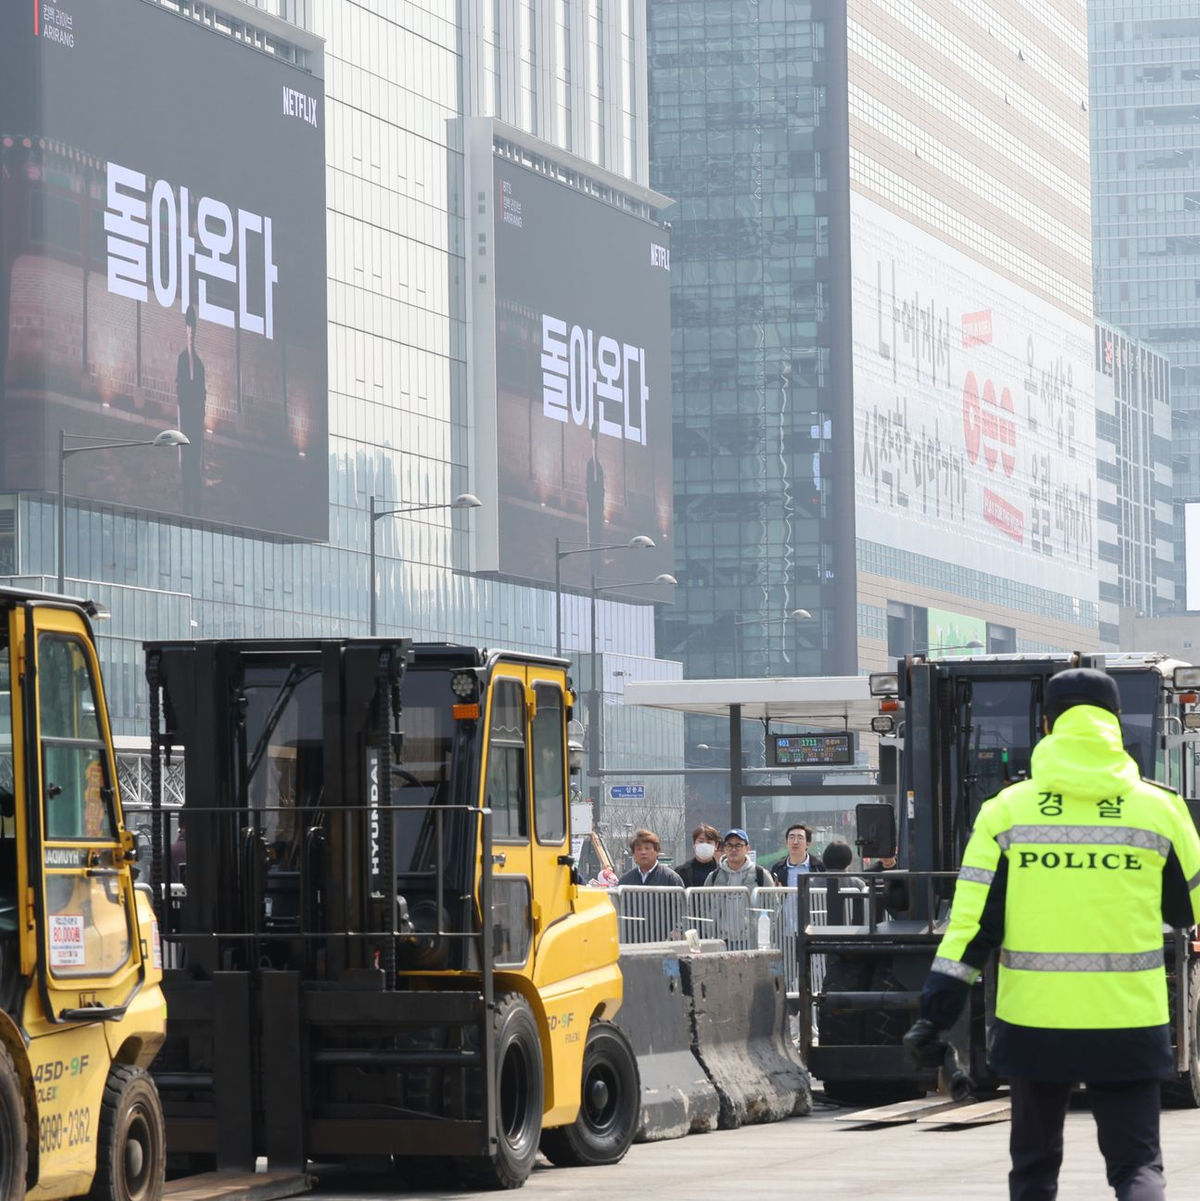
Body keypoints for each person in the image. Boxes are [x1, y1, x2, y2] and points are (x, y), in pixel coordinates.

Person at [903, 668, 1200, 1201]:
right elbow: (1189, 913)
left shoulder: (1004, 813)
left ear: (1047, 726)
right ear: (1114, 724)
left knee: (1034, 1171)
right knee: (1137, 1167)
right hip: (1130, 1020)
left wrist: (935, 1015)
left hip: (1034, 1024)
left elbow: (971, 929)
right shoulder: (1161, 809)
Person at [176, 304, 206, 516]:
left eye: (193, 330)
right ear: (185, 330)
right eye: (188, 330)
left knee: (196, 460)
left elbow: (202, 394)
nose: (191, 334)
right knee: (186, 460)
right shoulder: (181, 361)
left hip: (196, 422)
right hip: (185, 420)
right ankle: (187, 500)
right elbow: (180, 391)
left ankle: (197, 500)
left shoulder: (200, 365)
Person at [705, 828, 773, 889]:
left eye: (738, 845)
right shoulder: (713, 877)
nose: (733, 849)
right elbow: (706, 902)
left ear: (747, 849)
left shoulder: (761, 875)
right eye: (729, 845)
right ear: (725, 848)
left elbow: (773, 902)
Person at [617, 829, 684, 888]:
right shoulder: (625, 882)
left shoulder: (671, 879)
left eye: (647, 848)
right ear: (633, 854)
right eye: (639, 849)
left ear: (657, 851)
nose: (643, 852)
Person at [675, 823, 722, 887]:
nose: (705, 845)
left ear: (716, 845)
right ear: (694, 844)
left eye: (709, 842)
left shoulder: (722, 872)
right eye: (701, 841)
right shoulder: (680, 871)